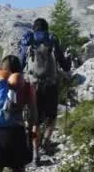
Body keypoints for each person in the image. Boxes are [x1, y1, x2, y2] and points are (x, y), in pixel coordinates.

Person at [19, 18, 70, 158]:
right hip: (51, 85)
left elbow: (20, 63)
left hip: (34, 87)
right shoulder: (52, 40)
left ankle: (35, 153)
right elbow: (65, 66)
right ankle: (46, 143)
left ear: (34, 28)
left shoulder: (29, 42)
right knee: (51, 118)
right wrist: (68, 60)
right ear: (46, 28)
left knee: (35, 121)